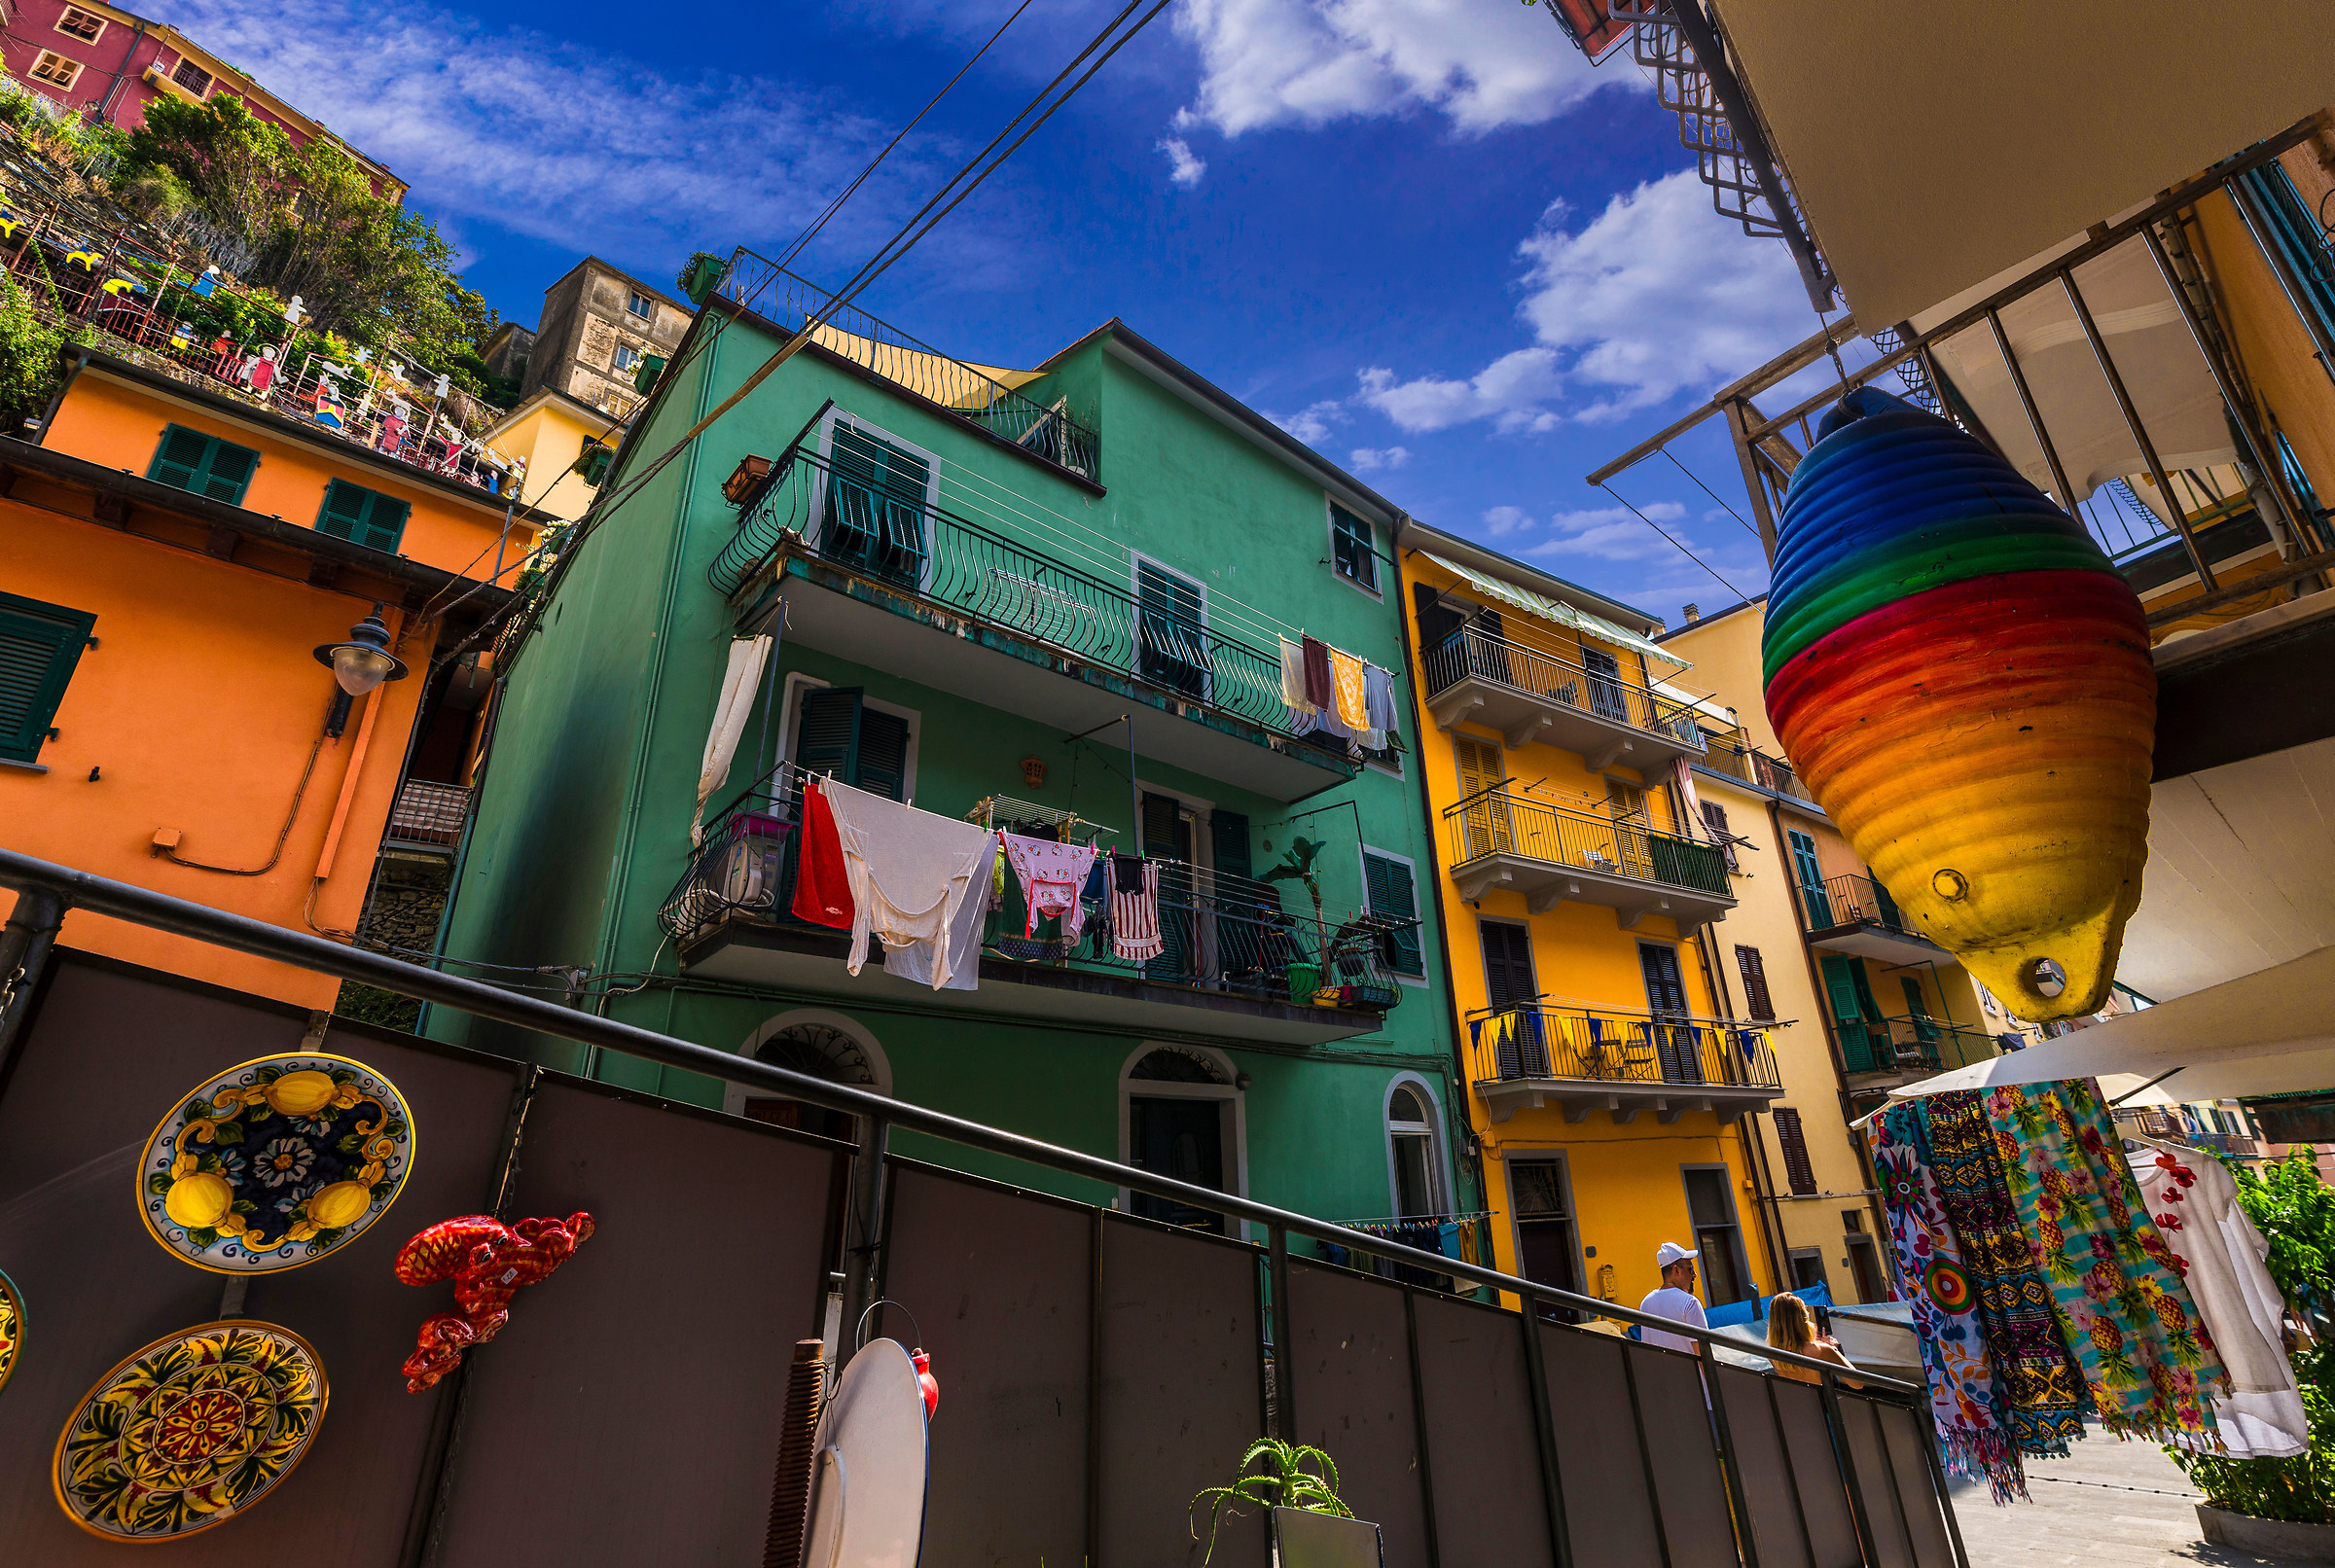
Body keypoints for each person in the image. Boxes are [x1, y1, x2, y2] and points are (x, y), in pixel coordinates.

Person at [1766, 1292, 1860, 1386]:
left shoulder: (1773, 1356)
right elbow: (1857, 1383)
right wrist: (1835, 1350)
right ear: (1802, 1318)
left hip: (1800, 1400)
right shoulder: (1822, 1351)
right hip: (1826, 1400)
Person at [1639, 1241, 1708, 1355]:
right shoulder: (1690, 1302)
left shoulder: (1646, 1303)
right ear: (1676, 1270)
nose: (1694, 1275)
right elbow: (1703, 1354)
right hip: (1690, 1373)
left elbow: (1647, 1350)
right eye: (1690, 1269)